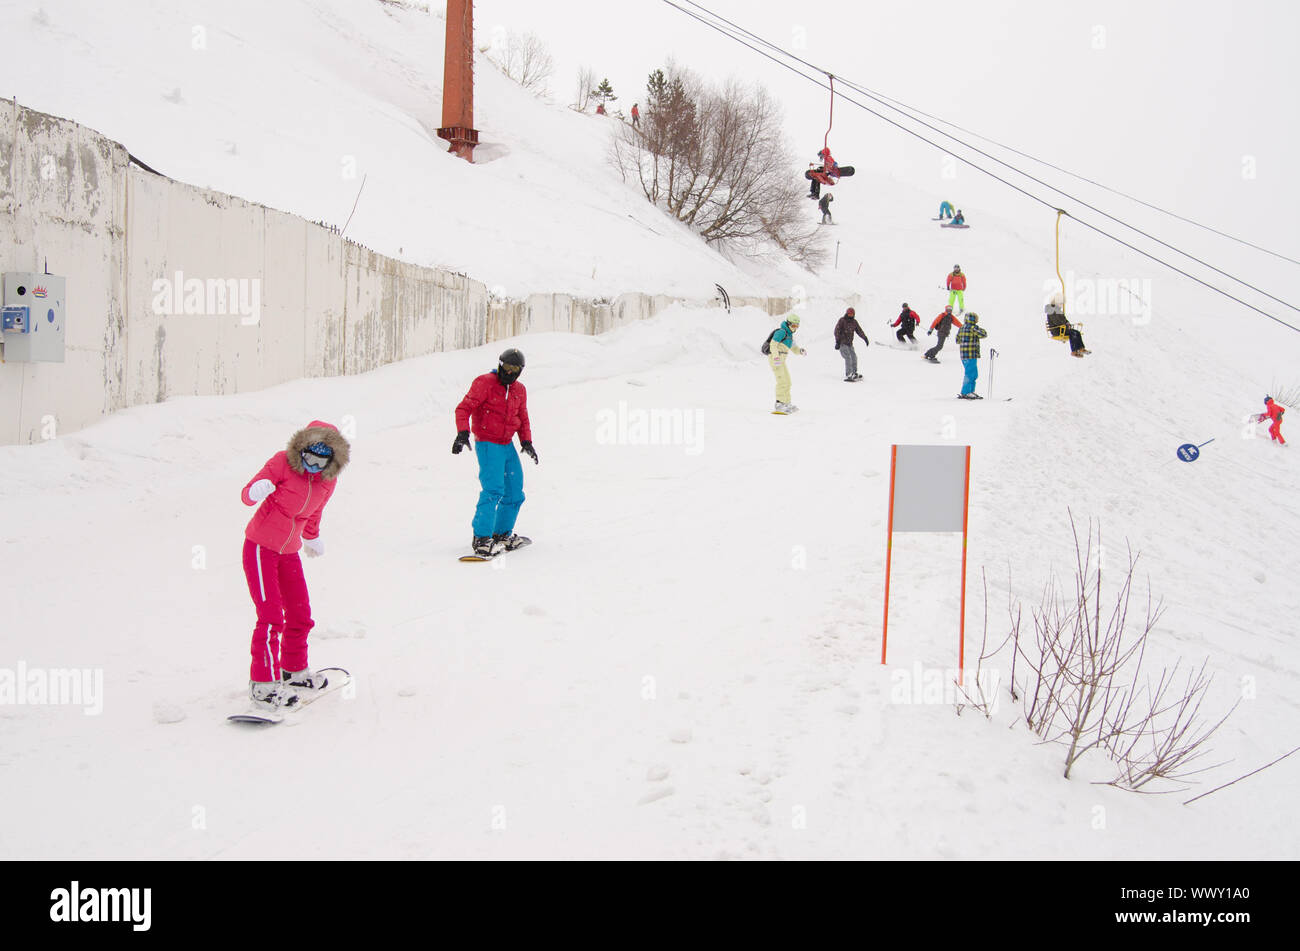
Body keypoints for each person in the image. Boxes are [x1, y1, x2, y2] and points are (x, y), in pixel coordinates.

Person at [240, 420, 351, 712]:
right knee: (270, 617)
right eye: (308, 456)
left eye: (320, 460)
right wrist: (255, 490)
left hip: (289, 552)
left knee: (300, 614)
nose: (312, 465)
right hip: (260, 548)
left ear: (332, 459)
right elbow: (247, 493)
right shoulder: (281, 463)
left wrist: (311, 538)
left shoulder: (328, 481)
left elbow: (314, 514)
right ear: (300, 449)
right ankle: (263, 686)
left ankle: (294, 673)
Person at [454, 348, 538, 557]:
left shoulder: (520, 390)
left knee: (515, 492)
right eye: (507, 367)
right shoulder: (485, 383)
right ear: (500, 364)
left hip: (507, 444)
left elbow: (523, 417)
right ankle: (481, 538)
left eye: (514, 369)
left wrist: (526, 441)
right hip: (488, 443)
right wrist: (462, 432)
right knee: (493, 490)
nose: (509, 373)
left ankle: (501, 534)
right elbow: (463, 409)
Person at [768, 314, 807, 412]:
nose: (795, 328)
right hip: (775, 359)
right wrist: (776, 358)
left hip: (782, 360)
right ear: (788, 324)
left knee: (788, 381)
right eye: (793, 326)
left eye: (797, 326)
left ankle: (786, 403)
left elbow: (794, 348)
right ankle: (779, 403)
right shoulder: (781, 332)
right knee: (782, 381)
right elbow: (773, 345)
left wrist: (800, 351)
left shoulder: (789, 335)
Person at [955, 313, 988, 399]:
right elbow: (984, 334)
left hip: (963, 355)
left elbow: (957, 340)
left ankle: (971, 391)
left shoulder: (961, 328)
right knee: (970, 374)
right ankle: (966, 392)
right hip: (971, 354)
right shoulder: (973, 328)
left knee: (972, 373)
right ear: (973, 320)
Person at [833, 306, 869, 381]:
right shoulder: (842, 320)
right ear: (846, 313)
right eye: (849, 314)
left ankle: (854, 373)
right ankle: (849, 374)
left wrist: (865, 338)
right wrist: (837, 342)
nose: (850, 315)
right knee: (848, 357)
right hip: (842, 343)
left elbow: (859, 330)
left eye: (852, 314)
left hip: (849, 343)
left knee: (854, 357)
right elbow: (836, 331)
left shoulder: (854, 322)